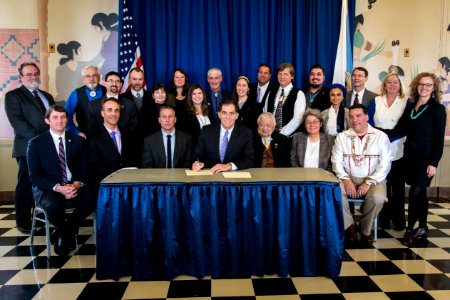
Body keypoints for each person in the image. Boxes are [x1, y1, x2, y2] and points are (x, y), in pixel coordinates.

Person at [384, 73, 446, 246]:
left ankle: (410, 229)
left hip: (426, 160)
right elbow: (399, 129)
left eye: (428, 85)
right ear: (416, 86)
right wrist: (374, 132)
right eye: (421, 84)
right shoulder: (411, 107)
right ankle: (424, 226)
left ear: (434, 88)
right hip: (409, 158)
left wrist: (434, 163)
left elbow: (439, 141)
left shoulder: (438, 110)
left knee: (415, 193)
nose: (424, 87)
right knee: (420, 194)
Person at [27, 105, 95, 255]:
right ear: (47, 121)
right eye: (55, 117)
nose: (60, 121)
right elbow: (35, 176)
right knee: (54, 205)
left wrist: (76, 185)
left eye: (63, 117)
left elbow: (85, 169)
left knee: (91, 198)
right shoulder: (36, 144)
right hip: (48, 187)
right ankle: (65, 234)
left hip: (73, 184)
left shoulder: (77, 141)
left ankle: (64, 232)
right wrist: (58, 188)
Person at [5, 62, 55, 234]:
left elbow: (53, 120)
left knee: (43, 184)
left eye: (36, 74)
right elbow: (18, 124)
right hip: (28, 148)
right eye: (29, 74)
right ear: (20, 77)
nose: (34, 77)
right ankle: (23, 221)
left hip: (49, 149)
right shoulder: (13, 96)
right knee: (26, 184)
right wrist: (43, 140)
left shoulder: (46, 95)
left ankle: (39, 218)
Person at [331, 104, 392, 244]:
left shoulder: (380, 136)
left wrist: (369, 182)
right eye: (351, 117)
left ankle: (365, 229)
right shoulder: (342, 137)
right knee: (335, 193)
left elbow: (386, 164)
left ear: (367, 117)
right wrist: (345, 179)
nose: (355, 120)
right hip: (348, 177)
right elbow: (336, 161)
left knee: (378, 197)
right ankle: (350, 226)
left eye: (358, 116)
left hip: (374, 178)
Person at [368, 72, 408, 231]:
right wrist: (382, 136)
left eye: (395, 82)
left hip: (398, 148)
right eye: (389, 82)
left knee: (397, 188)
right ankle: (383, 220)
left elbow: (405, 125)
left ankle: (399, 220)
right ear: (384, 85)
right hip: (378, 149)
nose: (392, 85)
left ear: (400, 85)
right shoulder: (376, 100)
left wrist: (388, 136)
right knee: (382, 186)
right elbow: (369, 121)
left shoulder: (407, 102)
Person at [88, 98, 139, 193]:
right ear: (102, 113)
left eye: (117, 110)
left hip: (129, 186)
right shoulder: (93, 138)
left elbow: (134, 160)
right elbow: (94, 167)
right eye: (109, 110)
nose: (113, 114)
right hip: (106, 187)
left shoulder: (128, 134)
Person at [192, 99, 254, 173]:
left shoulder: (246, 133)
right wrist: (196, 163)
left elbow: (249, 160)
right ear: (219, 114)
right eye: (224, 113)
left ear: (236, 116)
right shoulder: (206, 131)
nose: (227, 117)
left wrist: (229, 166)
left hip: (234, 179)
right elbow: (197, 155)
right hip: (210, 177)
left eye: (231, 113)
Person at [264, 62, 306, 137]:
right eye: (280, 74)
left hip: (288, 138)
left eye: (285, 74)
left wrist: (281, 134)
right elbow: (265, 113)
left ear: (292, 76)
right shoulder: (271, 93)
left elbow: (298, 119)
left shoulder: (299, 94)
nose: (282, 77)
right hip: (269, 135)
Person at [64, 65, 106, 138]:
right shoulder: (76, 94)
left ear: (99, 78)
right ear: (83, 79)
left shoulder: (106, 91)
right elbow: (66, 115)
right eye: (88, 76)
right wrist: (76, 132)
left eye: (94, 75)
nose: (91, 79)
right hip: (85, 136)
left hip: (105, 136)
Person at [91, 13, 119, 77]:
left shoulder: (115, 36)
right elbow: (101, 56)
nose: (95, 31)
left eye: (96, 28)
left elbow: (112, 60)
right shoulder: (104, 38)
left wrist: (100, 71)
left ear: (101, 23)